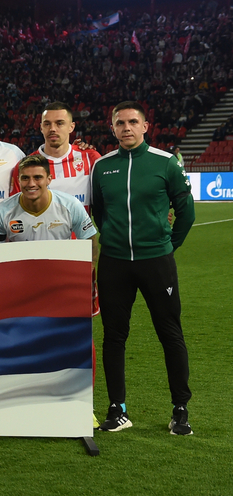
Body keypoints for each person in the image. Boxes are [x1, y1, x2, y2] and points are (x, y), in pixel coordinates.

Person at [92, 101, 196, 435]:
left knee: (170, 333)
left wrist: (166, 246)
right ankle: (117, 408)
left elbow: (186, 212)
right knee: (114, 336)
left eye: (133, 122)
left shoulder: (165, 164)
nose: (126, 128)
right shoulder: (102, 166)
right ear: (113, 129)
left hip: (156, 262)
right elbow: (99, 212)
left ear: (146, 126)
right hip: (114, 263)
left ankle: (180, 409)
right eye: (120, 123)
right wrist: (116, 240)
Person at [0, 155, 97, 246]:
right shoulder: (2, 211)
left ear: (49, 179)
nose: (31, 184)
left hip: (60, 270)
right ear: (18, 180)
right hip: (22, 271)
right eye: (25, 178)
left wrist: (89, 267)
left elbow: (89, 239)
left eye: (37, 177)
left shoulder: (71, 205)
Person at [20, 102, 100, 209]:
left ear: (71, 127)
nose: (52, 129)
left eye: (59, 123)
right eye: (47, 124)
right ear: (41, 128)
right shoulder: (27, 166)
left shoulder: (90, 158)